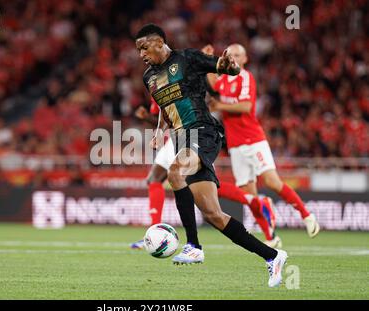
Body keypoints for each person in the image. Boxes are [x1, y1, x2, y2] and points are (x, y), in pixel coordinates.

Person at [135, 23, 287, 287]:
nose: (141, 54)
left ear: (159, 42)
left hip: (203, 132)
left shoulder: (188, 59)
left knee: (174, 171)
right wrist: (160, 131)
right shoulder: (149, 76)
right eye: (138, 50)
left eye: (144, 47)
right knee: (214, 215)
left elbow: (228, 68)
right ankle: (273, 256)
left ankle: (193, 245)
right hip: (182, 139)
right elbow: (163, 106)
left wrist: (230, 65)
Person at [204, 44, 320, 242]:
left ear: (245, 59)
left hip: (253, 139)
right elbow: (213, 83)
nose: (232, 58)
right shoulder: (224, 78)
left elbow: (246, 106)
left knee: (272, 181)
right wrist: (207, 60)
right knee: (249, 195)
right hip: (235, 145)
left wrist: (220, 105)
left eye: (237, 55)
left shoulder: (245, 76)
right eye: (229, 54)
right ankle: (271, 236)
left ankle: (306, 215)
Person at [130, 98, 277, 250]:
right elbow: (169, 118)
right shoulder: (158, 84)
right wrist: (149, 119)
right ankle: (156, 232)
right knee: (158, 178)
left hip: (194, 135)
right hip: (177, 137)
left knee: (202, 186)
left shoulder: (177, 81)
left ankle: (255, 202)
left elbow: (186, 112)